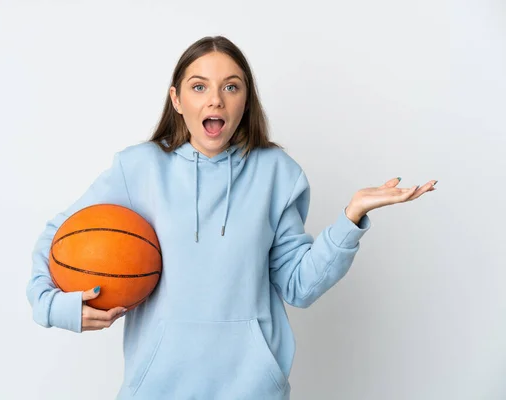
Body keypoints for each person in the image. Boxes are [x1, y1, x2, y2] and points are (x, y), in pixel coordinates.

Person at [26, 35, 437, 400]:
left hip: (252, 389)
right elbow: (58, 237)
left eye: (231, 87)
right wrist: (54, 308)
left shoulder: (278, 172)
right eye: (199, 86)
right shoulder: (138, 169)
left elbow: (299, 286)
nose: (215, 100)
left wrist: (351, 218)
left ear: (246, 100)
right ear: (176, 99)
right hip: (154, 389)